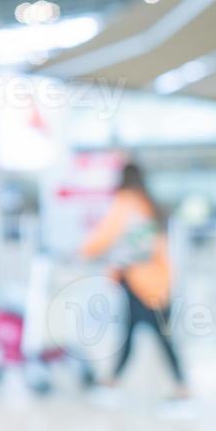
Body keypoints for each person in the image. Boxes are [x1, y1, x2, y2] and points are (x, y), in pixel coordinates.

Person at [81, 162, 191, 403]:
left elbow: (102, 238)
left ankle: (181, 388)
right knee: (139, 333)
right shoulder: (146, 204)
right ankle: (115, 380)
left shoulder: (126, 203)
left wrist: (82, 250)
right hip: (157, 281)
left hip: (141, 283)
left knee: (153, 336)